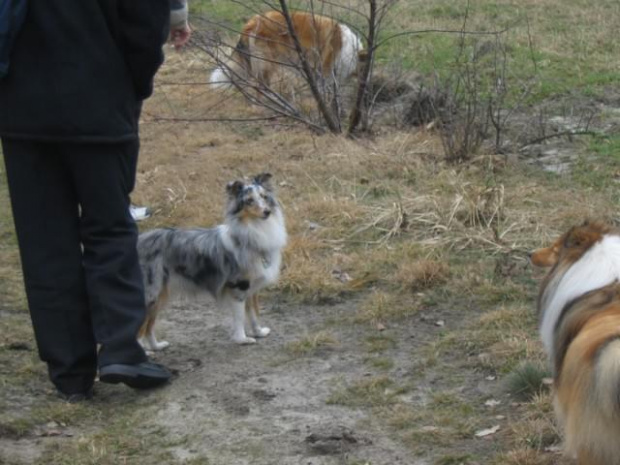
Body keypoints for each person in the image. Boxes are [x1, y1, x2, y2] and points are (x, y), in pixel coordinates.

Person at [0, 0, 190, 401]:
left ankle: (70, 372)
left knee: (45, 243)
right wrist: (133, 85)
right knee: (109, 227)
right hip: (100, 103)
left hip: (21, 110)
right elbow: (144, 23)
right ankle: (120, 347)